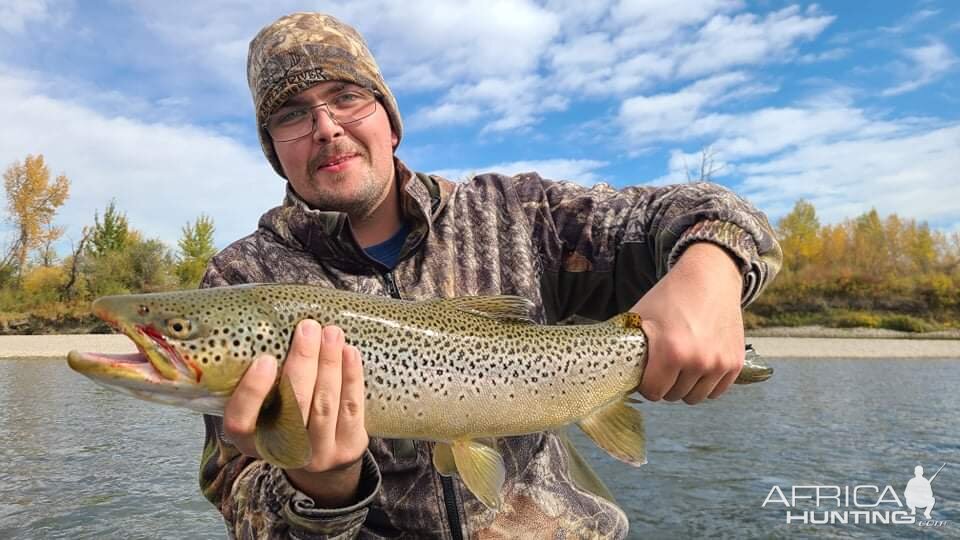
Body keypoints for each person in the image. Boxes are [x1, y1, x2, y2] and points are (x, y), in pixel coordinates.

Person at [198, 11, 783, 539]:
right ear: (274, 150)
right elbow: (239, 500)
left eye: (347, 96)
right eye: (292, 114)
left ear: (390, 121)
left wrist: (711, 269)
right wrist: (324, 489)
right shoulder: (241, 280)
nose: (325, 126)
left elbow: (710, 209)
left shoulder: (517, 214)